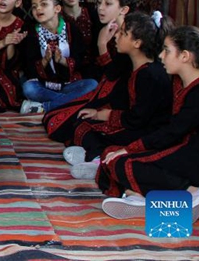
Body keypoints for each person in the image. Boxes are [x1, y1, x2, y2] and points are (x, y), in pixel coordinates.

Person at [98, 26, 199, 221]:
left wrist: (131, 149)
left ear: (185, 56)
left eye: (167, 51)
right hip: (183, 151)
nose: (161, 55)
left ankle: (194, 193)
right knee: (110, 156)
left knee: (121, 162)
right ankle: (144, 200)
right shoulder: (181, 82)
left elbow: (173, 132)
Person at [63, 11, 172, 179]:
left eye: (123, 33)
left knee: (92, 128)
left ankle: (99, 160)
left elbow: (139, 118)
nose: (116, 37)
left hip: (148, 131)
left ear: (137, 42)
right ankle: (92, 153)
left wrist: (104, 115)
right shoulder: (136, 67)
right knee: (81, 123)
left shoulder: (150, 74)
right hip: (135, 122)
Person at [42, 0, 138, 142]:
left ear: (124, 9)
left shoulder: (131, 36)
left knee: (61, 127)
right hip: (104, 90)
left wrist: (102, 46)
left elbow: (117, 76)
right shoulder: (106, 28)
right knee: (51, 118)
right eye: (99, 2)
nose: (100, 8)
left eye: (108, 4)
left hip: (122, 100)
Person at [20, 0, 98, 114]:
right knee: (28, 88)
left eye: (43, 4)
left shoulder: (71, 29)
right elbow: (27, 67)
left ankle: (44, 107)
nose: (38, 8)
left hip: (69, 84)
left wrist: (62, 61)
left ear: (57, 8)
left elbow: (82, 59)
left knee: (92, 85)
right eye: (34, 6)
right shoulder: (30, 32)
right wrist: (44, 61)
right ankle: (73, 103)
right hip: (43, 85)